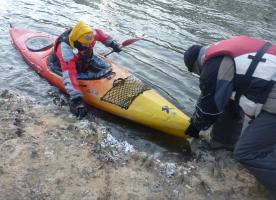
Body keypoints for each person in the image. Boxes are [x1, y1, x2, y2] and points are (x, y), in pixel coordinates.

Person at [183, 35, 276, 198]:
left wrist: (196, 126)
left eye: (196, 73)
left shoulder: (213, 64)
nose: (200, 76)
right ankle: (223, 144)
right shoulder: (225, 51)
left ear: (196, 65)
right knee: (229, 104)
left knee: (247, 153)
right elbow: (225, 101)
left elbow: (210, 105)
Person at [51, 20, 122, 119]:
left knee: (106, 68)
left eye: (89, 44)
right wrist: (77, 100)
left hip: (84, 58)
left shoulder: (88, 34)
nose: (88, 46)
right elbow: (70, 75)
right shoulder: (65, 50)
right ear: (76, 41)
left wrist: (112, 43)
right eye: (85, 45)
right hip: (62, 65)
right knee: (79, 76)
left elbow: (100, 34)